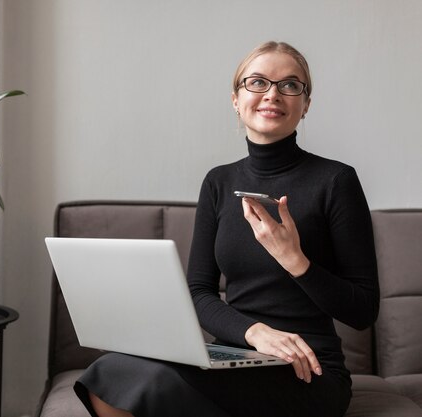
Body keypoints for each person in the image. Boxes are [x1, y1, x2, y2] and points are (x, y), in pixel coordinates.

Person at [73, 41, 380, 417]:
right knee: (110, 370)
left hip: (308, 367)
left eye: (290, 85)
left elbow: (364, 310)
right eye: (257, 82)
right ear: (236, 99)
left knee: (155, 385)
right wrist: (254, 333)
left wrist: (295, 260)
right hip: (234, 354)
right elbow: (198, 291)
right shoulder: (218, 182)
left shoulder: (336, 181)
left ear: (305, 104)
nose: (272, 94)